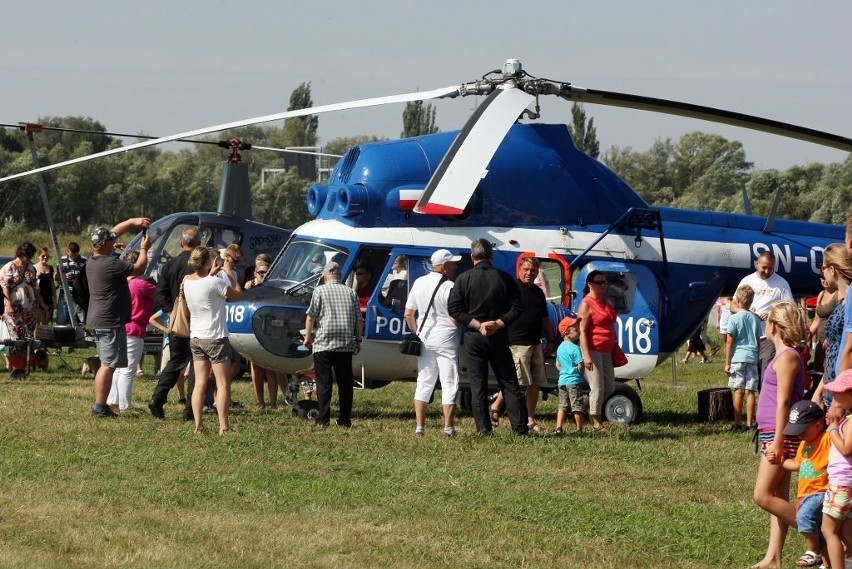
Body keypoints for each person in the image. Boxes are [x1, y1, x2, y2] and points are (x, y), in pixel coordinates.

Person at [447, 238, 528, 436]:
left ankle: (484, 430)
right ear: (491, 256)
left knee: (478, 385)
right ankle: (519, 429)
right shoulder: (505, 278)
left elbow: (454, 308)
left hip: (474, 336)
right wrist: (499, 323)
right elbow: (517, 306)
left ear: (472, 257)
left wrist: (478, 325)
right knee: (509, 383)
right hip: (499, 335)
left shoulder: (463, 279)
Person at [751, 301, 807, 569]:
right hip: (772, 433)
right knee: (777, 499)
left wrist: (778, 441)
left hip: (779, 434)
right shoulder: (783, 356)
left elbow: (784, 402)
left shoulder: (787, 358)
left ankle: (817, 531)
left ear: (774, 325)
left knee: (762, 496)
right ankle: (773, 557)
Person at [87, 219, 151, 417]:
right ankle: (100, 406)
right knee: (108, 365)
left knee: (108, 363)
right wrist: (144, 249)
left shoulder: (93, 259)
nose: (114, 242)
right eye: (111, 241)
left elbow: (112, 233)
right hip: (109, 321)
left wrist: (132, 222)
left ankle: (104, 404)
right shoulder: (111, 264)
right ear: (105, 244)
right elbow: (139, 268)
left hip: (99, 318)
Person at [183, 246, 243, 435]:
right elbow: (239, 294)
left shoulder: (186, 281)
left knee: (200, 384)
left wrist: (212, 275)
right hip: (215, 337)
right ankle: (224, 426)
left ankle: (198, 426)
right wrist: (229, 273)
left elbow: (202, 284)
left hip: (196, 336)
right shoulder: (214, 282)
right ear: (208, 262)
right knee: (223, 384)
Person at [492, 257, 555, 432]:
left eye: (533, 271)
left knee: (535, 383)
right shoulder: (511, 289)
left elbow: (545, 318)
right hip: (516, 343)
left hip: (535, 343)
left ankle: (530, 418)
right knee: (516, 383)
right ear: (519, 269)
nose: (529, 273)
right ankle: (496, 407)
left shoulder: (538, 292)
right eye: (526, 269)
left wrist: (550, 339)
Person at [403, 249, 461, 438]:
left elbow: (408, 314)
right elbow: (455, 314)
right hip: (446, 338)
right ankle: (448, 428)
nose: (454, 266)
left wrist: (417, 332)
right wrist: (454, 324)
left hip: (425, 337)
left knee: (424, 381)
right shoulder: (451, 286)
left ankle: (420, 427)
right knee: (449, 382)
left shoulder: (419, 283)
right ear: (443, 267)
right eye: (452, 264)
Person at [148, 228, 201, 419]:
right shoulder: (199, 265)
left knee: (176, 361)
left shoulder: (170, 264)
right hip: (197, 320)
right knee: (197, 365)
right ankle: (190, 409)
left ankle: (157, 398)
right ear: (199, 244)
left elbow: (160, 293)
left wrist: (172, 311)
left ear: (181, 243)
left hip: (177, 320)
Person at [303, 261, 363, 428]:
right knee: (345, 382)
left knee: (324, 382)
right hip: (345, 344)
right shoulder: (351, 292)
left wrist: (308, 337)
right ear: (340, 276)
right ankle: (345, 419)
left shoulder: (319, 291)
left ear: (324, 275)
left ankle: (323, 419)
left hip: (323, 343)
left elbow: (311, 317)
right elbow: (359, 319)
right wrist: (358, 339)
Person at [774, 400, 830, 569]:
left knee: (803, 517)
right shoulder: (804, 444)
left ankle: (812, 552)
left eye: (802, 431)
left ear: (818, 425)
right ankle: (828, 562)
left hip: (822, 491)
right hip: (805, 494)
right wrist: (780, 461)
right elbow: (797, 465)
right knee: (821, 532)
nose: (799, 435)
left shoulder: (827, 438)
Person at [106, 250, 156, 413]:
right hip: (135, 328)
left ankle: (113, 400)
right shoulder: (141, 284)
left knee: (118, 368)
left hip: (120, 326)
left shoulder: (120, 283)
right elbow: (159, 294)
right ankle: (125, 405)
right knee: (128, 369)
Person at [738, 250, 794, 380]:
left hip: (768, 336)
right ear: (757, 264)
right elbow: (734, 305)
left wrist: (772, 314)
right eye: (764, 268)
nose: (767, 271)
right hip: (748, 337)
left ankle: (765, 396)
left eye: (771, 268)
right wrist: (745, 310)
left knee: (766, 369)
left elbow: (790, 309)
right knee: (752, 374)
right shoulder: (747, 281)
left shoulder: (781, 284)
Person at [578, 270, 618, 432]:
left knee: (609, 387)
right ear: (590, 285)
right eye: (599, 282)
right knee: (597, 387)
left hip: (607, 350)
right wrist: (586, 355)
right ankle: (596, 422)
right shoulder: (586, 303)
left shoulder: (606, 302)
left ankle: (586, 406)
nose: (603, 285)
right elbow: (582, 331)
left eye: (604, 282)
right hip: (593, 350)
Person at [813, 243, 852, 409]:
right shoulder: (841, 301)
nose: (822, 272)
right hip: (832, 385)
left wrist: (839, 398)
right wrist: (819, 391)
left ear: (832, 269)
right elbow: (834, 351)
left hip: (843, 392)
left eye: (823, 267)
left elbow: (847, 350)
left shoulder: (849, 302)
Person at [1, 242, 49, 376]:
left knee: (28, 337)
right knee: (16, 337)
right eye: (27, 256)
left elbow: (35, 288)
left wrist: (42, 304)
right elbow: (5, 287)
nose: (28, 258)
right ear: (21, 254)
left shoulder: (31, 268)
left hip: (30, 309)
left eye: (30, 256)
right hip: (15, 309)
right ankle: (16, 366)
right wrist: (9, 304)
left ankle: (28, 364)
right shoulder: (9, 267)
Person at [821, 369, 852, 569]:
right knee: (846, 533)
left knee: (828, 530)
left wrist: (832, 430)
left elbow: (846, 448)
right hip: (846, 485)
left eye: (838, 392)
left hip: (842, 484)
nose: (833, 395)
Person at [245, 259, 284, 409]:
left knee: (271, 368)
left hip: (270, 329)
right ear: (255, 273)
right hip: (253, 329)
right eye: (261, 272)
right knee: (256, 368)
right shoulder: (249, 286)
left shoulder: (274, 287)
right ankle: (260, 401)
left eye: (266, 272)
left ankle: (273, 402)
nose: (263, 275)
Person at [724, 285, 762, 430]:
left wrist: (727, 362)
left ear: (738, 300)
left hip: (738, 357)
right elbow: (758, 340)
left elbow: (729, 342)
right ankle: (749, 423)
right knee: (750, 391)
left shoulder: (733, 318)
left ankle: (737, 422)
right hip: (752, 357)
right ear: (751, 301)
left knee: (738, 390)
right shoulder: (755, 318)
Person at [554, 315, 584, 434]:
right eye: (576, 330)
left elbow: (557, 365)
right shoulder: (575, 349)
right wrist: (579, 373)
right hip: (574, 381)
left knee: (563, 405)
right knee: (577, 405)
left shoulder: (560, 347)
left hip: (562, 381)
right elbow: (581, 365)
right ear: (567, 333)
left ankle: (559, 427)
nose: (579, 332)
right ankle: (579, 429)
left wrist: (563, 372)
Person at [55, 241, 87, 326]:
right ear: (67, 251)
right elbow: (56, 277)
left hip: (79, 293)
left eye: (75, 255)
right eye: (72, 255)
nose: (73, 257)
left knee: (80, 319)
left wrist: (77, 277)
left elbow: (87, 276)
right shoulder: (61, 260)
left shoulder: (84, 261)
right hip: (65, 292)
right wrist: (64, 276)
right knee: (63, 318)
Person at [34, 247, 55, 324]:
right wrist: (36, 277)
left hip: (48, 296)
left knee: (46, 320)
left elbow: (52, 284)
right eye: (43, 256)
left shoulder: (50, 268)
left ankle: (44, 335)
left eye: (47, 256)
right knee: (38, 321)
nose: (45, 258)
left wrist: (54, 299)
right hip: (38, 296)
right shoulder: (34, 268)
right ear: (38, 256)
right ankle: (37, 336)